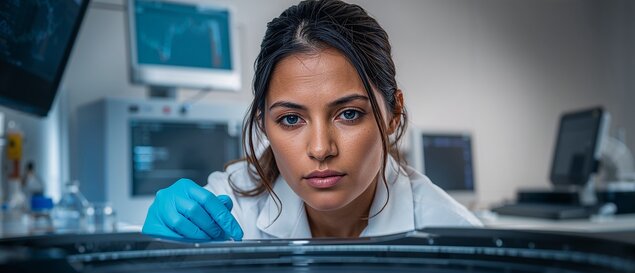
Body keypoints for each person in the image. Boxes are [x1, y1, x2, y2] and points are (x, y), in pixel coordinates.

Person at [142, 0, 481, 241]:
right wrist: (157, 253)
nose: (321, 149)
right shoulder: (235, 204)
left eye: (349, 114)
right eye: (291, 119)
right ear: (263, 124)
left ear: (393, 113)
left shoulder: (452, 235)